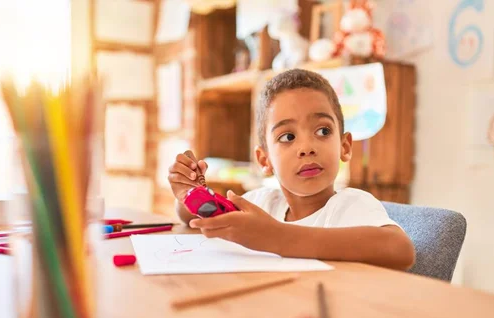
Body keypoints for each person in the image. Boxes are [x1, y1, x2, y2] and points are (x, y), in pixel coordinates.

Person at [167, 69, 415, 270]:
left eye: (323, 131)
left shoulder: (350, 205)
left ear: (344, 146)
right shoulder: (264, 202)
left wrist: (276, 237)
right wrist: (188, 194)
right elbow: (194, 218)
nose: (307, 147)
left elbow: (400, 250)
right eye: (287, 137)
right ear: (265, 160)